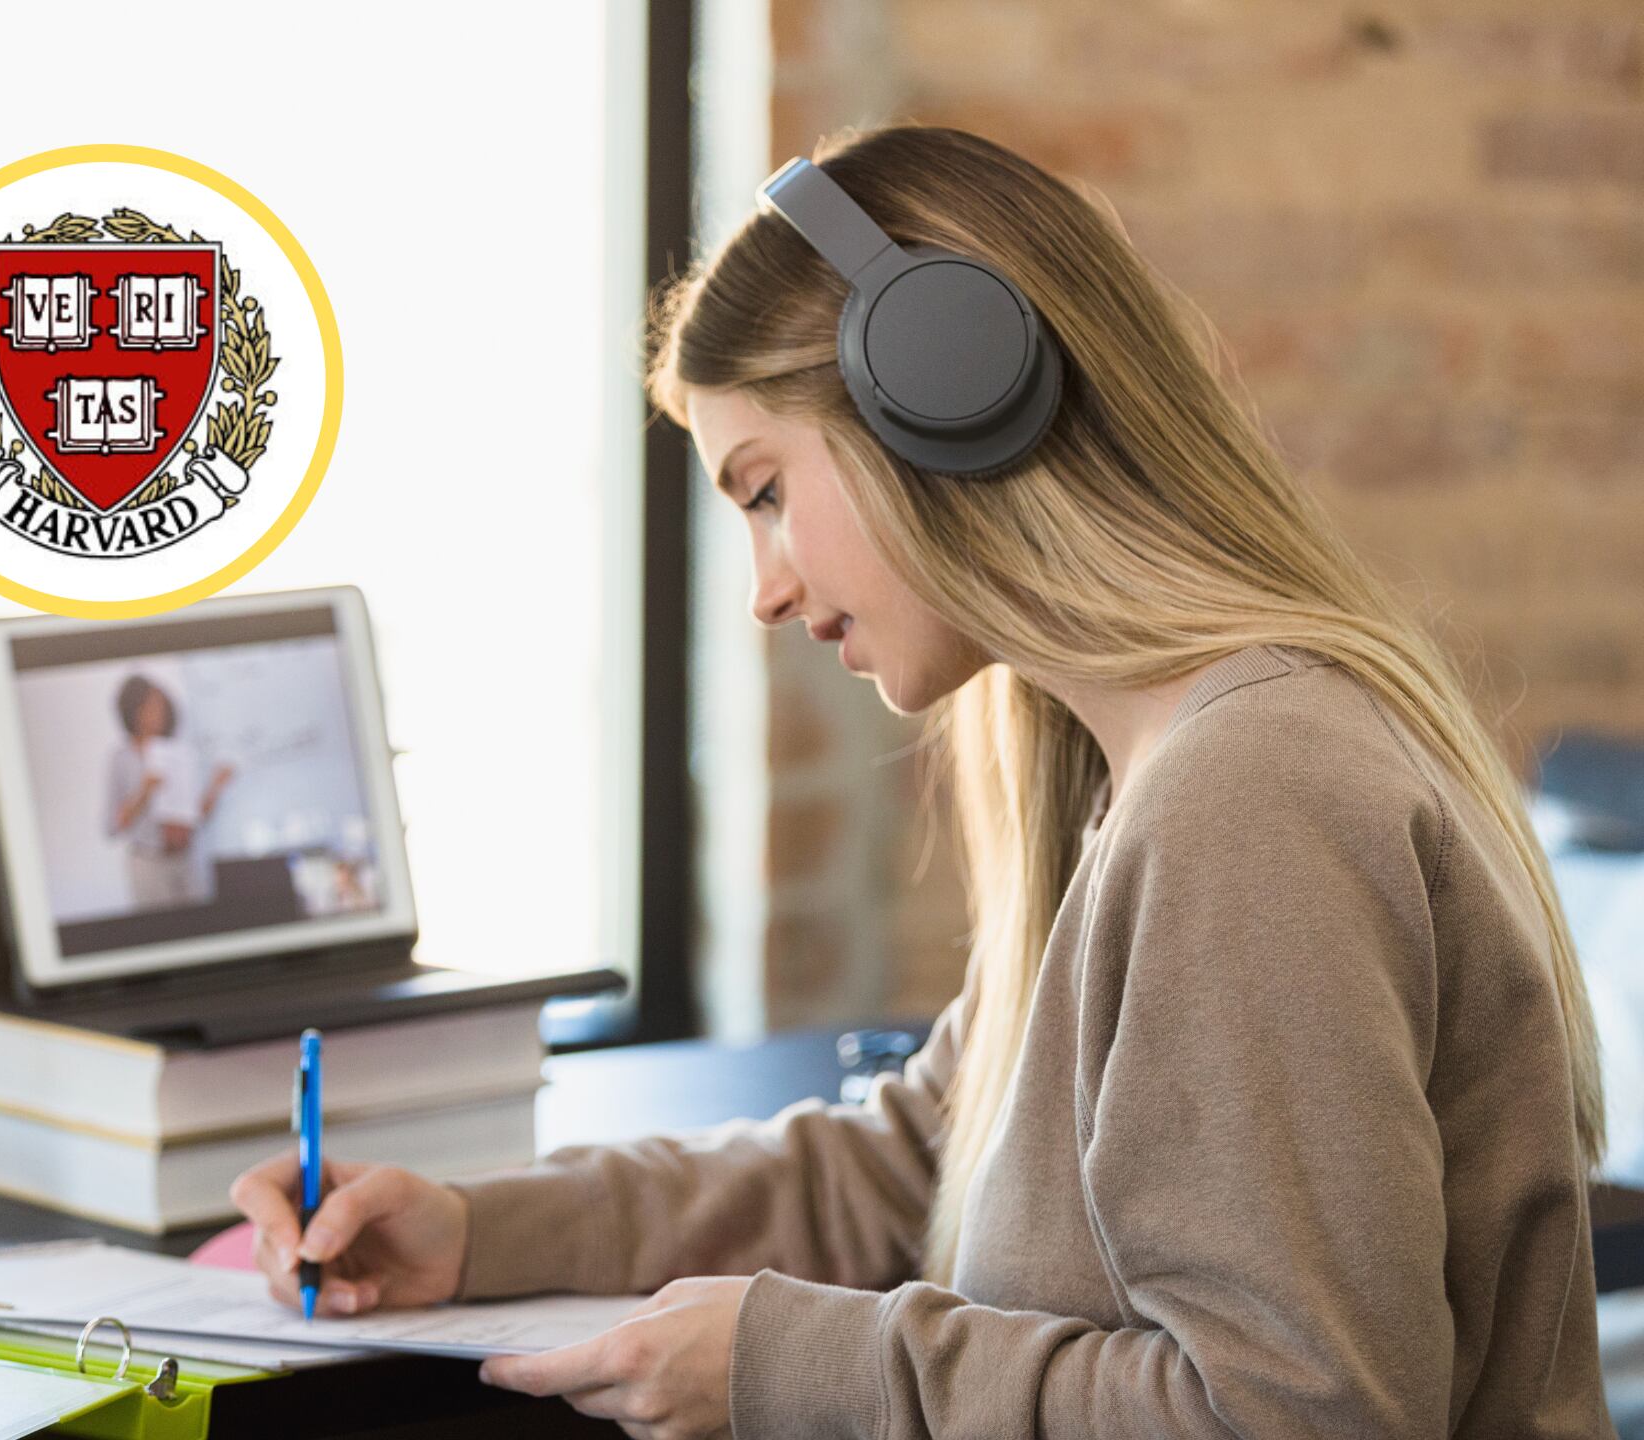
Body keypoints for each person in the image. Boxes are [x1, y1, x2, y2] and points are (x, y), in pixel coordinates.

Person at [231, 124, 1615, 1437]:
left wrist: (798, 1369)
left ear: (950, 387)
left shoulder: (1252, 797)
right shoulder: (1130, 770)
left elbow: (1295, 1416)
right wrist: (478, 1231)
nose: (765, 590)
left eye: (766, 490)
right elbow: (912, 1159)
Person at [104, 674, 235, 910]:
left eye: (160, 705)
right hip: (149, 863)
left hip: (185, 860)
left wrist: (216, 786)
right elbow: (112, 827)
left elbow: (196, 817)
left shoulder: (179, 754)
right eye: (149, 706)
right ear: (133, 710)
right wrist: (146, 789)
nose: (157, 713)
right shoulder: (121, 759)